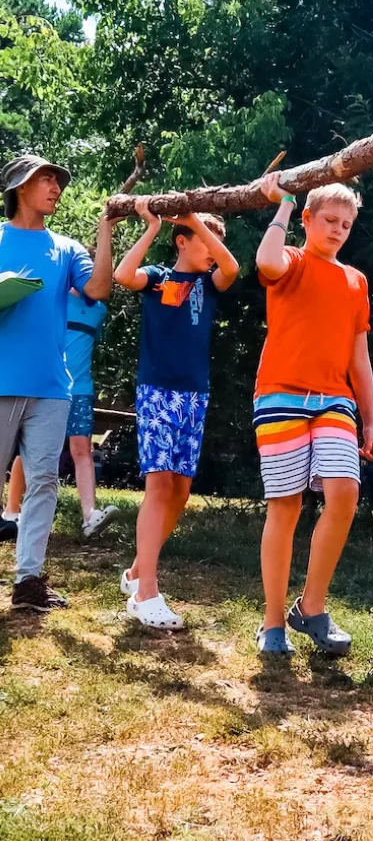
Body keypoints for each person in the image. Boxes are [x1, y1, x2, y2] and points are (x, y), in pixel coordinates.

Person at [253, 175, 373, 657]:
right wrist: (284, 202)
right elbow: (266, 261)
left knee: (345, 492)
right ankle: (272, 623)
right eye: (329, 220)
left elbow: (359, 357)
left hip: (334, 399)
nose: (338, 230)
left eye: (346, 224)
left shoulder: (356, 280)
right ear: (307, 219)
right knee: (285, 506)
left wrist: (370, 421)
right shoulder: (292, 260)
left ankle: (311, 607)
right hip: (279, 395)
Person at [114, 199, 239, 630]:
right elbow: (123, 275)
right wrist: (152, 226)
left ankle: (136, 571)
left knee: (181, 491)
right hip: (157, 392)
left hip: (195, 396)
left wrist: (195, 221)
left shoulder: (209, 284)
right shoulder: (160, 279)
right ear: (182, 242)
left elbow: (231, 267)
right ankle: (146, 592)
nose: (212, 250)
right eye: (202, 239)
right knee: (159, 484)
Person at [0, 154, 117, 609]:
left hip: (52, 387)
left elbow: (98, 290)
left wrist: (105, 231)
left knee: (44, 482)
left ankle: (28, 582)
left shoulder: (67, 249)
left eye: (58, 181)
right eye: (46, 179)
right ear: (19, 187)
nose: (56, 187)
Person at [3, 290, 120, 539]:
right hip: (47, 388)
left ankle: (90, 516)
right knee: (30, 451)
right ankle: (11, 512)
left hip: (80, 390)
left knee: (82, 449)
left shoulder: (99, 310)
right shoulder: (52, 300)